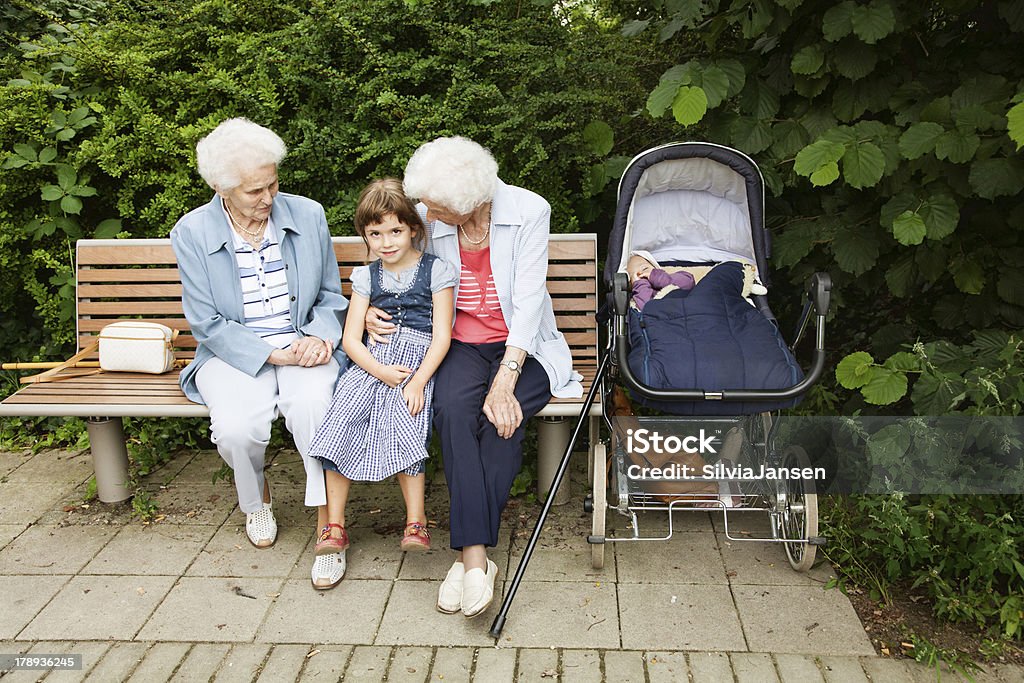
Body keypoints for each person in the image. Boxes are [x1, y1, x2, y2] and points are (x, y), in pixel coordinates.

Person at [368, 136, 582, 618]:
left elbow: (528, 301)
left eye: (439, 206)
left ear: (469, 204)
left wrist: (506, 378)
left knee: (499, 415)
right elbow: (391, 264)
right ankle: (477, 558)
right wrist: (366, 314)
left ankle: (469, 557)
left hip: (525, 347)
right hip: (460, 342)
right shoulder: (431, 217)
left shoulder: (529, 211)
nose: (427, 212)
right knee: (452, 409)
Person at [170, 118, 349, 590]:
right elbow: (206, 322)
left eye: (273, 183)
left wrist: (319, 338)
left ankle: (328, 525)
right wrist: (272, 357)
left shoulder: (307, 215)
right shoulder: (191, 231)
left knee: (315, 408)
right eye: (254, 191)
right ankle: (257, 499)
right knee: (235, 428)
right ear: (220, 187)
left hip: (302, 340)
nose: (268, 198)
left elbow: (332, 296)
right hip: (232, 353)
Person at [307, 178, 455, 560]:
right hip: (373, 362)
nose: (387, 242)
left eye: (395, 231)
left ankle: (416, 520)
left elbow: (442, 336)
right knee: (341, 415)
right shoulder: (366, 277)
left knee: (407, 418)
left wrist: (418, 380)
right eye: (376, 233)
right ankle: (335, 524)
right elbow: (351, 339)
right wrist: (379, 372)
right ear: (365, 235)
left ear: (413, 230)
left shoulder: (436, 271)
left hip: (416, 364)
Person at [627, 250, 695, 310]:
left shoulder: (671, 278)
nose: (641, 274)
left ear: (656, 268)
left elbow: (689, 282)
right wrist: (640, 284)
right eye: (634, 276)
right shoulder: (639, 296)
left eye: (645, 269)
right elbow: (647, 309)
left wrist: (656, 277)